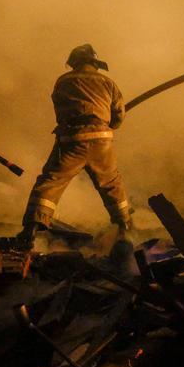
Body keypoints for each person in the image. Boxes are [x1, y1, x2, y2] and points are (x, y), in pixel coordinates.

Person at [19, 44, 130, 242]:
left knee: (51, 182)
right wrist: (109, 125)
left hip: (72, 139)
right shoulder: (108, 82)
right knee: (111, 183)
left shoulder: (63, 81)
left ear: (74, 63)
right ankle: (125, 227)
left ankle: (31, 230)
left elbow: (60, 109)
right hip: (101, 140)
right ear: (94, 63)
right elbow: (119, 114)